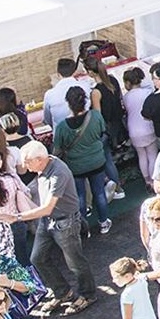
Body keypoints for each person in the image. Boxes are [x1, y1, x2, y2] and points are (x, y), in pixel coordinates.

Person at [14, 140, 98, 314]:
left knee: (75, 262)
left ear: (39, 159)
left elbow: (47, 207)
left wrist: (16, 217)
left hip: (65, 221)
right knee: (38, 258)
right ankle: (63, 292)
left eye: (27, 162)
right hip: (48, 221)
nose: (25, 167)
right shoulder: (44, 165)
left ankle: (88, 295)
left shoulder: (58, 172)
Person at [50, 82, 112, 235]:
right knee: (99, 192)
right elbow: (103, 132)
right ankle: (104, 222)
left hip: (75, 166)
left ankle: (83, 228)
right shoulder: (96, 116)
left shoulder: (62, 127)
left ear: (68, 103)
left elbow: (57, 149)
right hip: (97, 161)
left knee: (80, 196)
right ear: (85, 100)